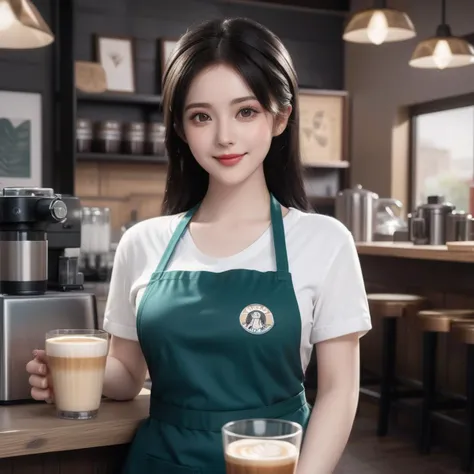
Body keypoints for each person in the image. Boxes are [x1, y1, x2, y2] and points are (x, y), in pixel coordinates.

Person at [26, 17, 372, 473]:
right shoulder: (142, 242)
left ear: (280, 116)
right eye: (201, 116)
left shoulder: (325, 241)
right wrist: (73, 374)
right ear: (182, 130)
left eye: (245, 111)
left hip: (274, 463)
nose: (223, 135)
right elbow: (128, 376)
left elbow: (338, 393)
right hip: (160, 460)